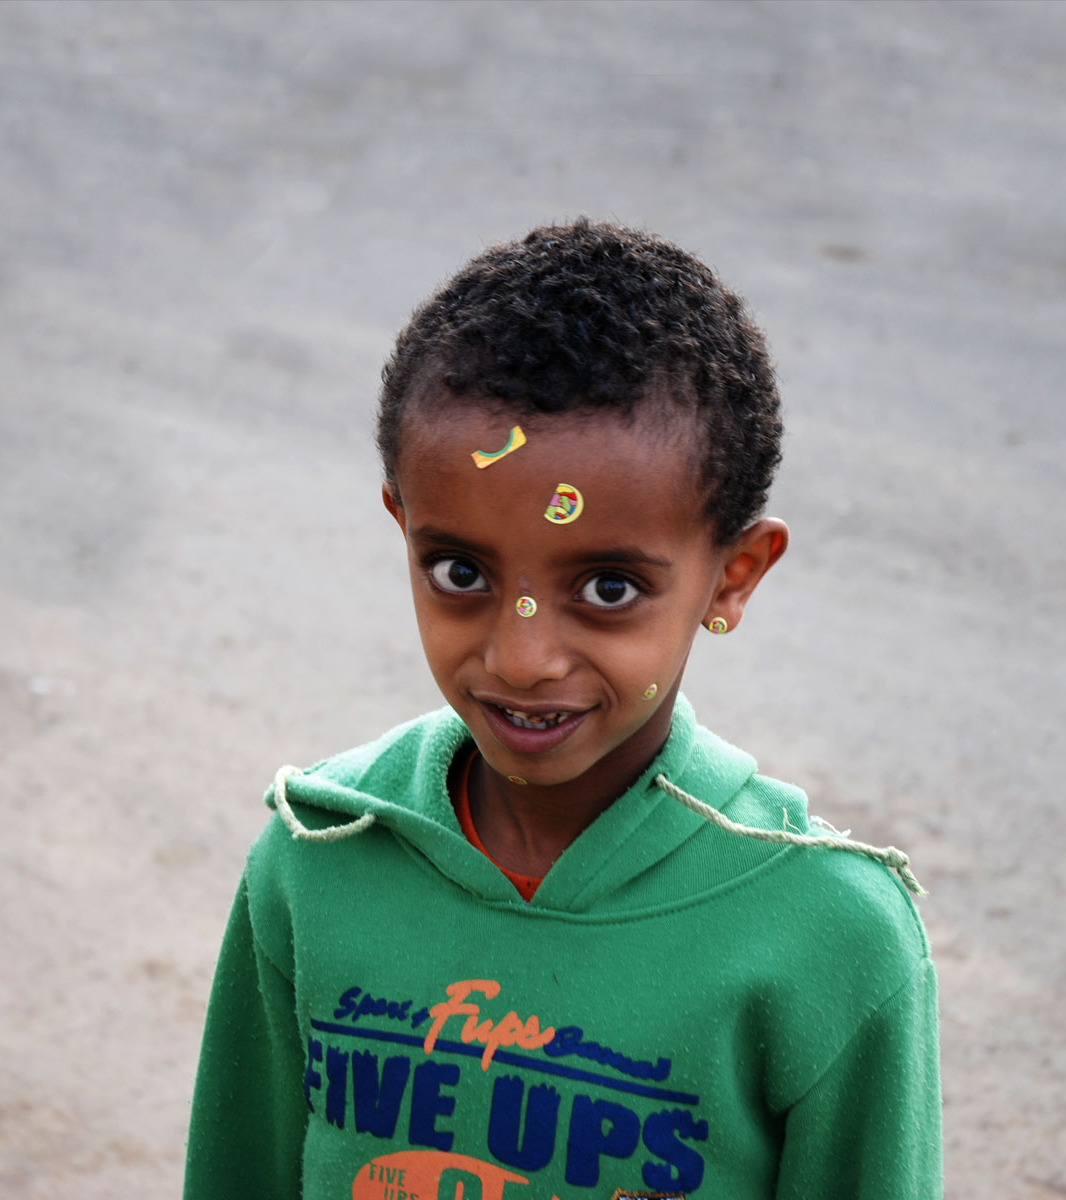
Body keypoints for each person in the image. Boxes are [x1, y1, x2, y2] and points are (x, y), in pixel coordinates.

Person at [184, 219, 941, 1199]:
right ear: (403, 527)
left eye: (609, 588)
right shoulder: (317, 859)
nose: (522, 657)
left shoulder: (828, 936)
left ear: (733, 576)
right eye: (460, 572)